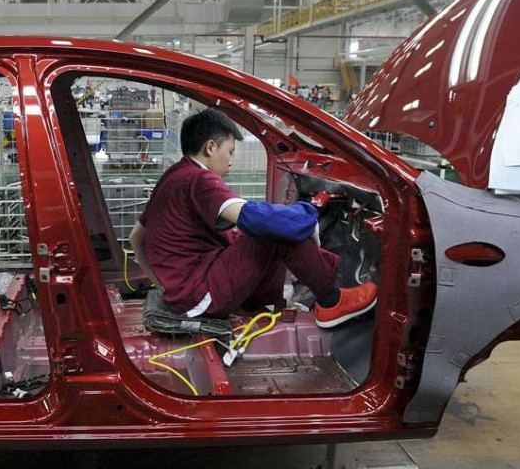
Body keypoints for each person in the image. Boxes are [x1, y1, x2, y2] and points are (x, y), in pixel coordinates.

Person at [128, 108, 377, 328]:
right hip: (200, 295)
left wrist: (165, 285)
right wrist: (307, 214)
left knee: (252, 234)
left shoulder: (173, 176)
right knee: (274, 232)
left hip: (187, 294)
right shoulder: (199, 179)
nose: (231, 162)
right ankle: (331, 301)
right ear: (211, 147)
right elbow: (253, 217)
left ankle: (256, 305)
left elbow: (136, 237)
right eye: (230, 152)